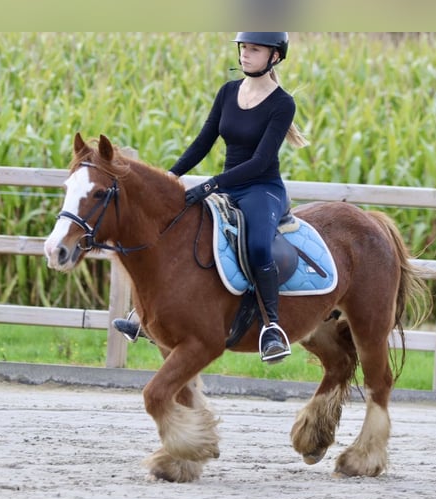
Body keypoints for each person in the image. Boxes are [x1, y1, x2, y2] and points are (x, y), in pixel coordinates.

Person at [113, 32, 308, 362]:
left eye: (254, 50)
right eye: (243, 48)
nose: (245, 55)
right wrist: (170, 176)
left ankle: (272, 327)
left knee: (259, 245)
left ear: (274, 57)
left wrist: (211, 184)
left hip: (261, 189)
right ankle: (146, 315)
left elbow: (260, 161)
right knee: (177, 227)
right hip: (226, 185)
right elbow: (203, 143)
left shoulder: (282, 103)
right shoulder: (228, 92)